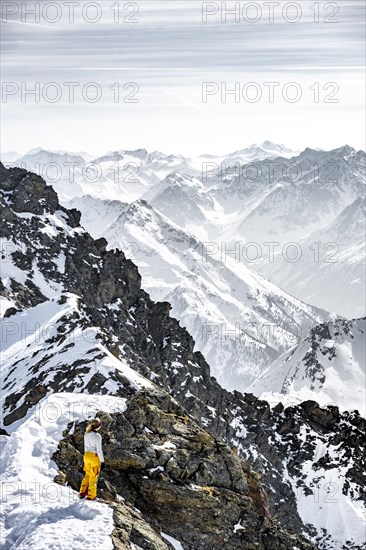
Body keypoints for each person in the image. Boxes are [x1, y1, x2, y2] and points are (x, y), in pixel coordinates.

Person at [79, 417, 104, 501]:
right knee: (93, 477)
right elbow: (99, 450)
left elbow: (85, 446)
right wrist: (102, 461)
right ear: (99, 426)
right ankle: (91, 496)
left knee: (87, 474)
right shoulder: (97, 436)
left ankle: (82, 492)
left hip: (86, 456)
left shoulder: (86, 433)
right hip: (94, 457)